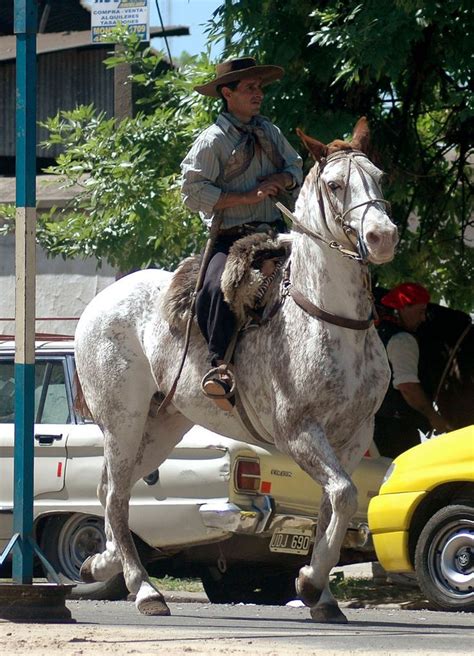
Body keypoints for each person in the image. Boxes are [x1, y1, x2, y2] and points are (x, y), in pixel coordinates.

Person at [181, 56, 303, 411]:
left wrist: (282, 179)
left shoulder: (270, 132)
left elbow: (295, 165)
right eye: (250, 88)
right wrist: (246, 197)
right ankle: (219, 367)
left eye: (259, 87)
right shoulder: (213, 140)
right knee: (216, 286)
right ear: (227, 93)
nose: (258, 93)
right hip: (233, 237)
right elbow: (191, 192)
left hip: (277, 236)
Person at [374, 282, 451, 458]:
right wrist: (433, 416)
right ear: (404, 308)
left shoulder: (378, 332)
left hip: (374, 423)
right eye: (421, 311)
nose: (423, 318)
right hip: (396, 430)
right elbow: (407, 386)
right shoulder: (403, 340)